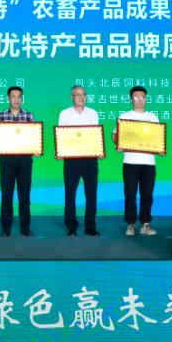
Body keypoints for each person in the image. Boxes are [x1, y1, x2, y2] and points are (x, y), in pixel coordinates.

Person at [114, 86, 160, 236]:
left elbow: (158, 138)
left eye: (142, 97)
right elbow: (115, 135)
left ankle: (145, 224)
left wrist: (159, 147)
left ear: (146, 99)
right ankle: (131, 224)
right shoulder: (125, 116)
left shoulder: (153, 117)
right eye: (136, 97)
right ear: (131, 99)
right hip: (130, 162)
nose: (140, 100)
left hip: (149, 163)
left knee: (147, 194)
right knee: (130, 194)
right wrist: (119, 142)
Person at [0, 86, 35, 237]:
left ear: (22, 98)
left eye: (19, 96)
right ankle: (6, 228)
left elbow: (33, 137)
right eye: (13, 96)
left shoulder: (29, 116)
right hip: (7, 160)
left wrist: (36, 146)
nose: (16, 99)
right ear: (8, 98)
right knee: (6, 195)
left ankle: (25, 228)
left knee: (24, 196)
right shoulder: (0, 116)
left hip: (25, 160)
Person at [59, 85, 100, 236]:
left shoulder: (93, 113)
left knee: (91, 193)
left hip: (90, 159)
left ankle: (90, 226)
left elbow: (96, 136)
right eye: (78, 95)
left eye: (83, 95)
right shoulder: (64, 114)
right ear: (72, 97)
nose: (81, 97)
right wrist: (61, 151)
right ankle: (71, 226)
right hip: (71, 160)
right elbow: (61, 136)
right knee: (70, 193)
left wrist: (98, 149)